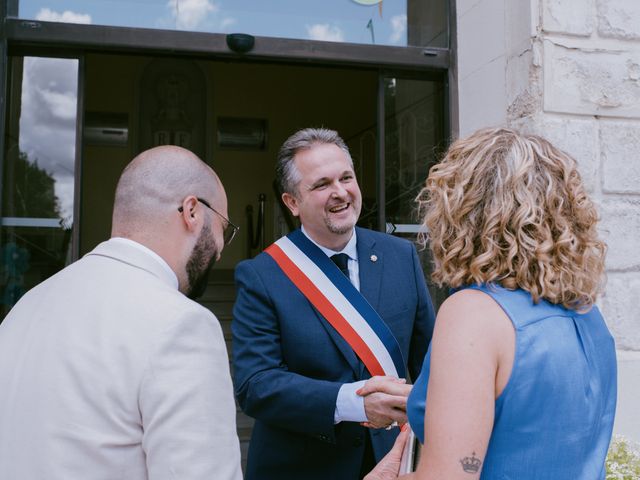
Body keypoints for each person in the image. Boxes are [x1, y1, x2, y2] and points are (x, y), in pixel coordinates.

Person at [361, 127, 617, 479]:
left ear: (461, 211)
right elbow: (536, 415)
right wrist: (425, 396)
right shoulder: (588, 315)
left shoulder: (472, 314)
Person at [0, 145, 243, 480]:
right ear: (192, 212)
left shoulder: (27, 306)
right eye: (224, 229)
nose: (219, 249)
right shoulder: (182, 325)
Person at [232, 127, 436, 480]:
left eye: (346, 178)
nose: (340, 192)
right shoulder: (262, 275)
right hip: (303, 468)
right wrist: (355, 403)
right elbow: (256, 385)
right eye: (322, 184)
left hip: (393, 462)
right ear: (292, 202)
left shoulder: (401, 256)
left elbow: (432, 362)